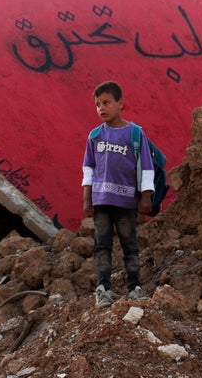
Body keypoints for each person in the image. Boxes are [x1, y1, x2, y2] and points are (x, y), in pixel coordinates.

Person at [82, 81, 154, 308]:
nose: (101, 108)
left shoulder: (135, 133)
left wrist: (146, 195)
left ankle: (135, 288)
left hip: (126, 202)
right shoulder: (94, 136)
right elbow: (88, 169)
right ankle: (103, 290)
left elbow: (146, 166)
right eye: (97, 104)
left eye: (106, 102)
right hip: (101, 201)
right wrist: (87, 199)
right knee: (101, 245)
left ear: (120, 103)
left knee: (129, 245)